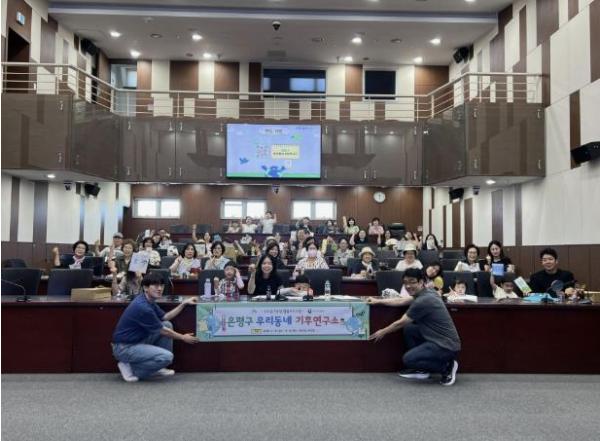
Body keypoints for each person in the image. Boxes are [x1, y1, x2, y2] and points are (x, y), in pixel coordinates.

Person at [368, 268, 461, 386]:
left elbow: (400, 323)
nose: (408, 286)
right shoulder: (427, 291)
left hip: (446, 345)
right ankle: (421, 369)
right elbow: (401, 301)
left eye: (412, 282)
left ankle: (446, 367)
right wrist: (378, 301)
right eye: (405, 283)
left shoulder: (423, 300)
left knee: (408, 359)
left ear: (421, 282)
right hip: (439, 338)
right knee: (410, 329)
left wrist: (382, 331)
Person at [111, 272, 199, 382]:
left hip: (135, 341)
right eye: (156, 286)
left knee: (167, 324)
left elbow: (165, 317)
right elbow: (163, 331)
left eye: (161, 285)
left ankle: (157, 367)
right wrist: (183, 337)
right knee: (167, 357)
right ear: (145, 288)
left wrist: (183, 304)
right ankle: (131, 368)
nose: (160, 288)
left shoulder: (148, 300)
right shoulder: (143, 307)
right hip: (124, 348)